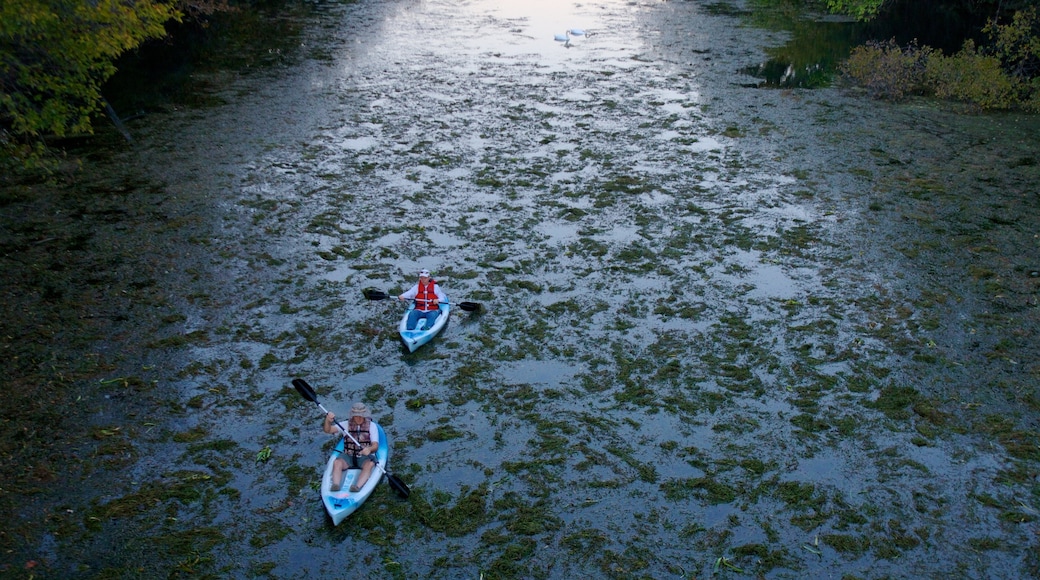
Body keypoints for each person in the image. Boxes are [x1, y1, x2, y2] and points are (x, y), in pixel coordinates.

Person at [323, 402, 380, 492]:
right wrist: (327, 421)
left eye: (361, 415)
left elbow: (375, 446)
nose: (358, 418)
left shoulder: (372, 426)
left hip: (364, 457)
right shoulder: (345, 424)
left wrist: (369, 449)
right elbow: (328, 430)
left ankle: (357, 487)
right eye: (356, 416)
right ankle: (335, 485)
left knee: (370, 464)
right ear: (352, 415)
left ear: (364, 415)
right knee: (337, 463)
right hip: (348, 455)